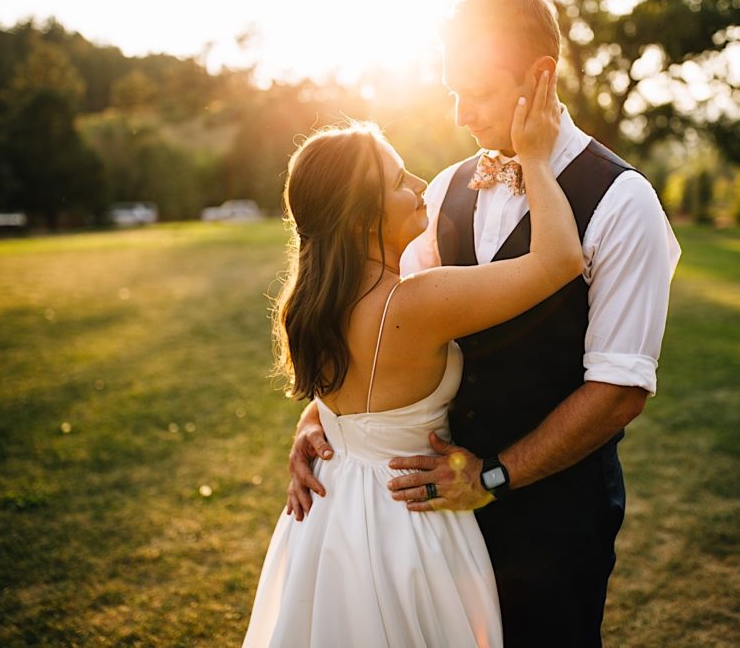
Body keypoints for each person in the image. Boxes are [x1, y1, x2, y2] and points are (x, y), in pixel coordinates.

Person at [285, 0, 682, 647]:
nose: (461, 115)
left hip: (553, 519)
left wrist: (494, 475)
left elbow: (617, 391)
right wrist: (325, 419)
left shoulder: (623, 203)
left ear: (541, 77)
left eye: (479, 93)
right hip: (432, 521)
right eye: (452, 92)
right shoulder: (442, 193)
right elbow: (383, 331)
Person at [242, 70, 577, 646]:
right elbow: (559, 261)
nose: (421, 182)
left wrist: (312, 423)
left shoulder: (310, 302)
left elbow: (347, 409)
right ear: (362, 218)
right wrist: (538, 160)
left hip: (326, 515)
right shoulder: (417, 302)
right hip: (407, 523)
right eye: (400, 180)